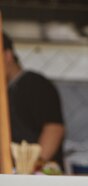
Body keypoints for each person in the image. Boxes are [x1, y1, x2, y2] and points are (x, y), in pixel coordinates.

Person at [2, 31, 65, 169]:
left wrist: (30, 169)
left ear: (7, 55)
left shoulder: (35, 84)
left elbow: (54, 130)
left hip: (40, 179)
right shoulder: (5, 92)